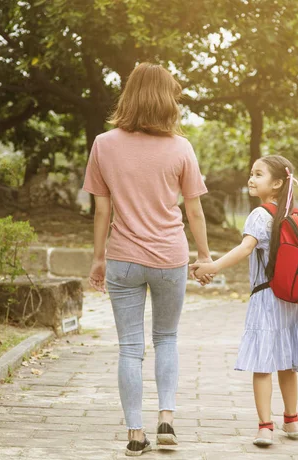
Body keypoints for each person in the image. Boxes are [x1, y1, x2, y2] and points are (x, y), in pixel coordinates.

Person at [83, 62, 213, 457]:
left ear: (130, 95)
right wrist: (205, 255)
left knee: (129, 347)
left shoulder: (104, 144)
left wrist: (98, 258)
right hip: (170, 257)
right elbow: (194, 212)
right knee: (167, 338)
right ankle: (167, 421)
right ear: (166, 99)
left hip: (123, 257)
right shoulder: (180, 147)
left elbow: (102, 212)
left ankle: (136, 435)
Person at [191, 155, 298, 447]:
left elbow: (246, 248)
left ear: (277, 183)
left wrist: (213, 267)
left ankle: (265, 427)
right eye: (251, 173)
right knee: (287, 362)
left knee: (263, 363)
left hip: (267, 297)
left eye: (258, 174)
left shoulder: (260, 215)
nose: (251, 179)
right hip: (293, 300)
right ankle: (292, 420)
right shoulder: (292, 214)